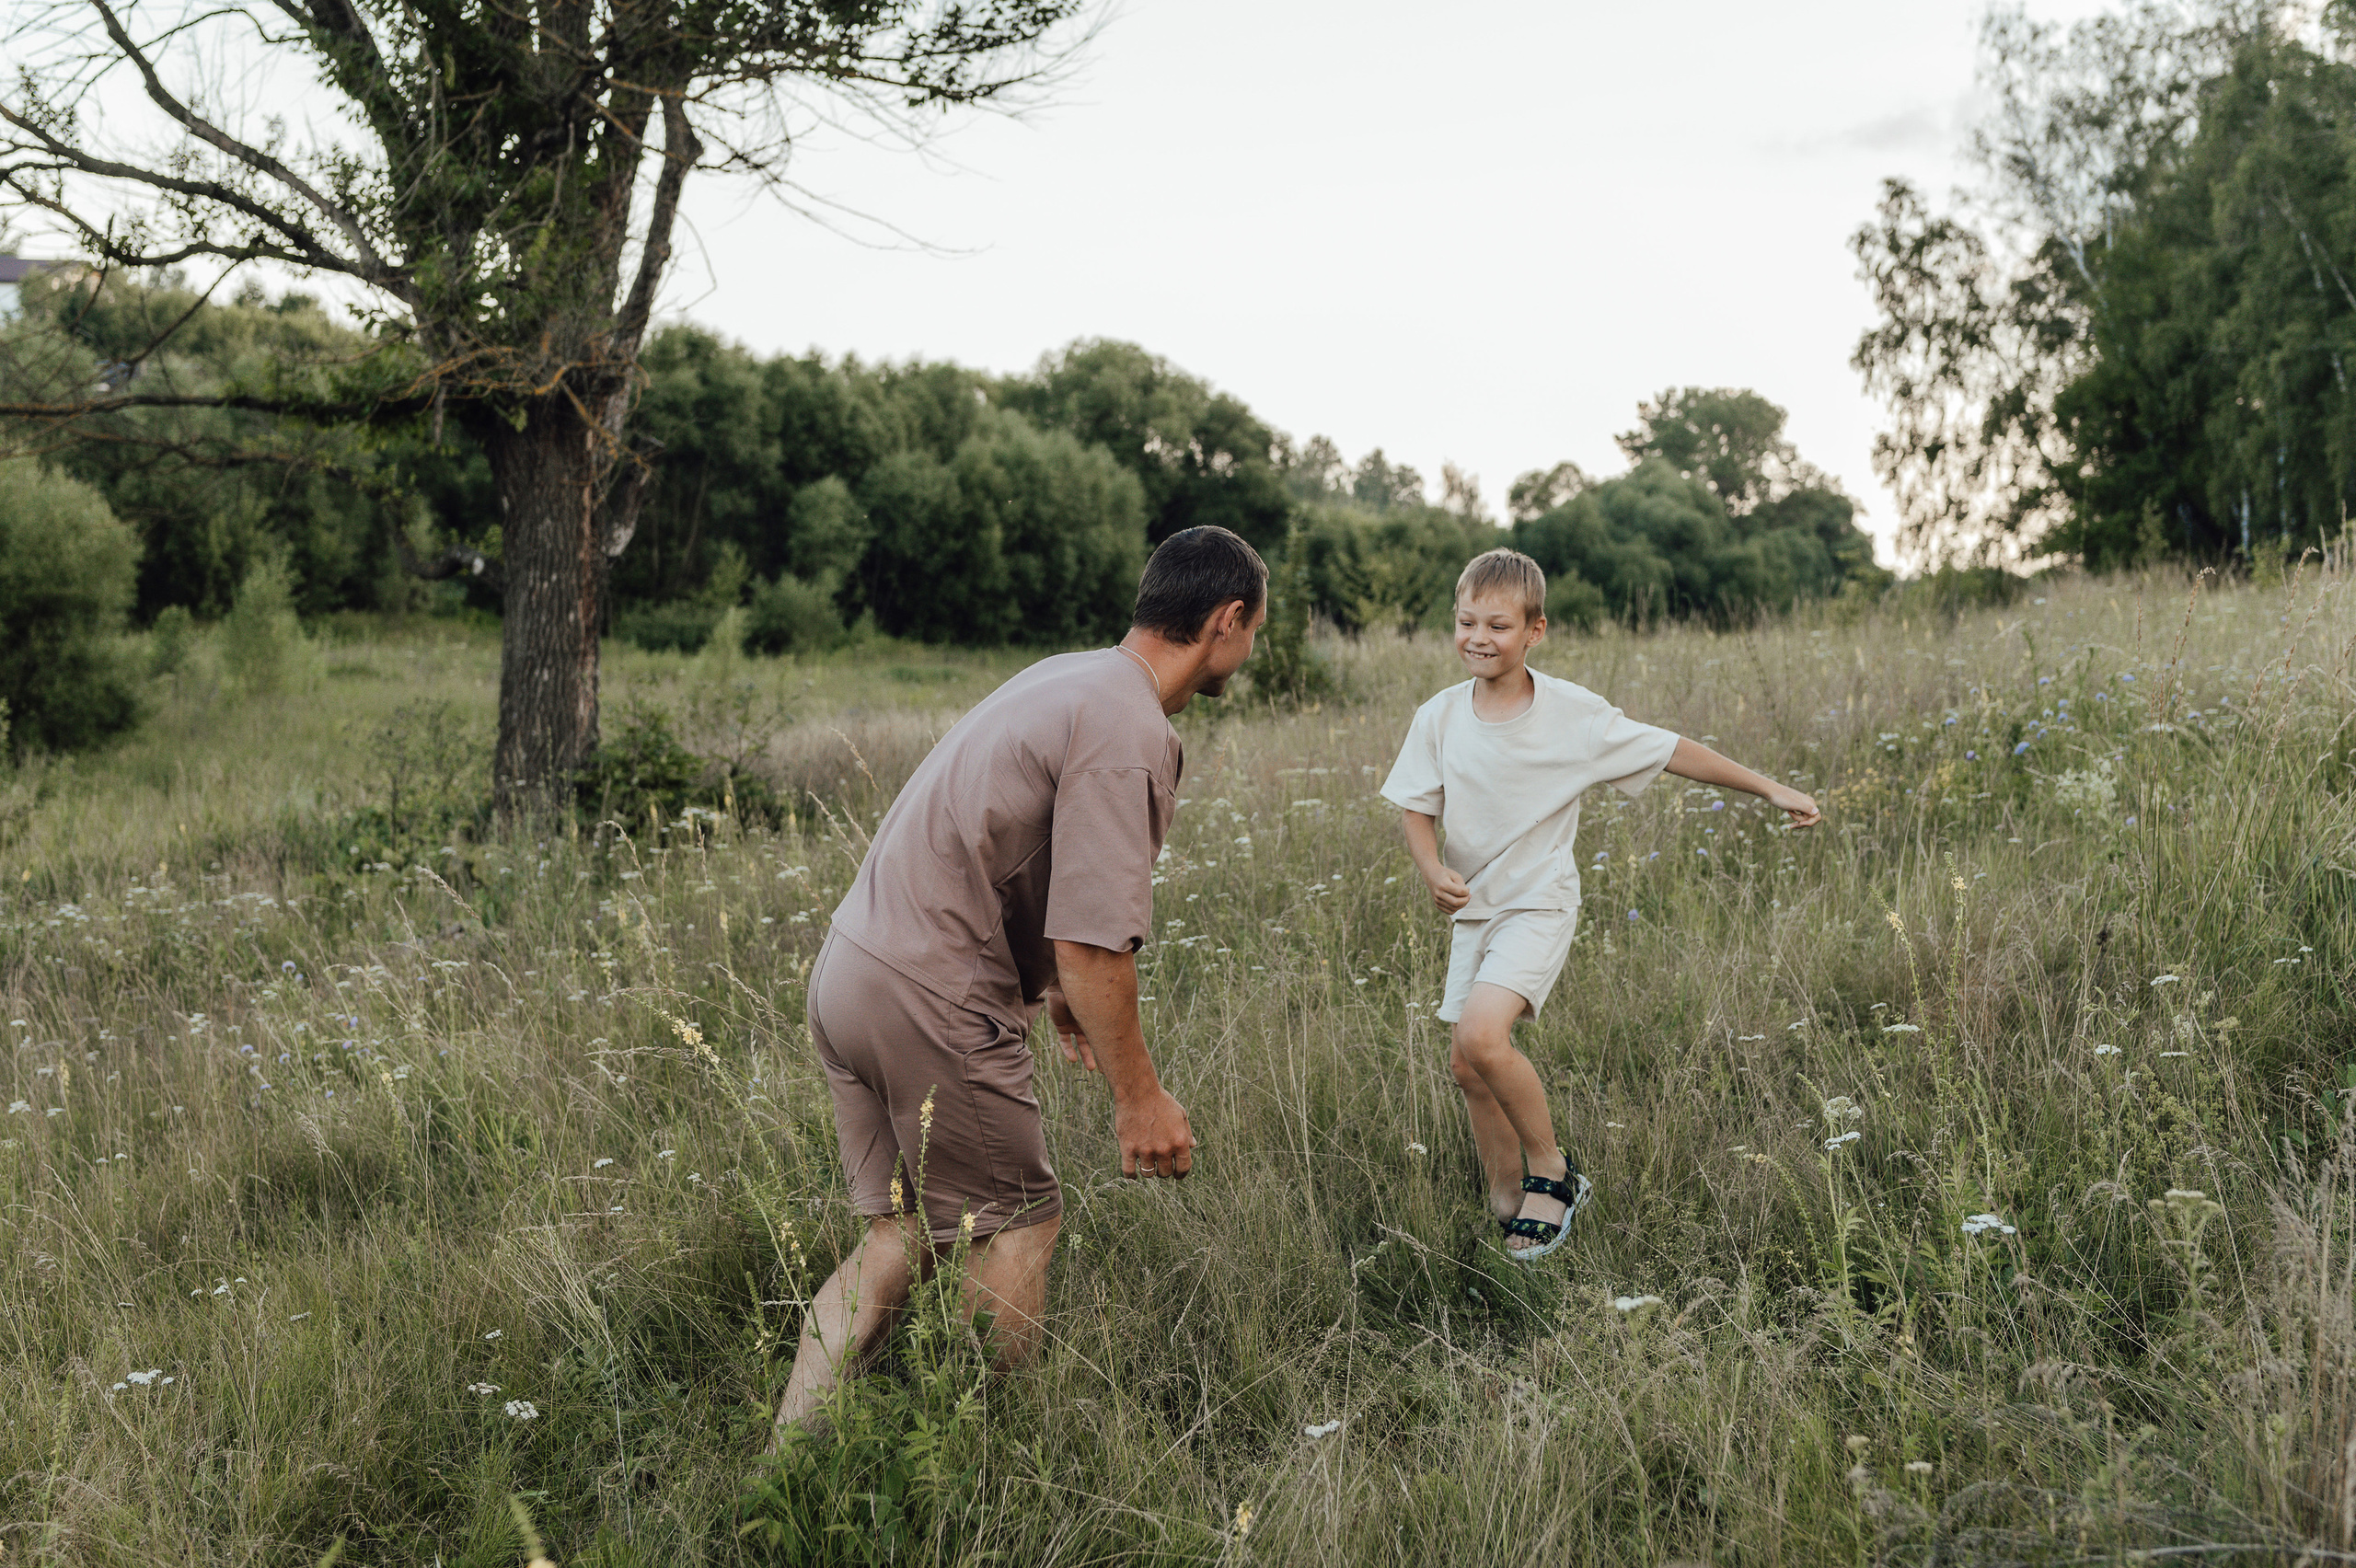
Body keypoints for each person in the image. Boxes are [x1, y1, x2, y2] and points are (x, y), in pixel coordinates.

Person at [774, 525, 1267, 1435]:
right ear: (1226, 621)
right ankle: (984, 1468)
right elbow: (1092, 945)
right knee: (1019, 1225)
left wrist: (1049, 994)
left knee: (904, 1234)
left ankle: (785, 1464)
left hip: (852, 975)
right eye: (1252, 633)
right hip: (934, 994)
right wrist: (1139, 1099)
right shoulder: (1129, 725)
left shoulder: (1065, 676)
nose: (1247, 651)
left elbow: (1005, 854)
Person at [1379, 548, 1820, 1262]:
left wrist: (1771, 788)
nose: (1478, 638)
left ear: (1535, 631)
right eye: (1466, 622)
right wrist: (1431, 870)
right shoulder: (1438, 716)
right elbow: (1415, 808)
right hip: (1475, 908)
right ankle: (1503, 1199)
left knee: (1484, 1039)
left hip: (1538, 904)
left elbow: (1675, 750)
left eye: (1497, 624)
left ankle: (1553, 1174)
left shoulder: (1573, 716)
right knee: (1466, 1063)